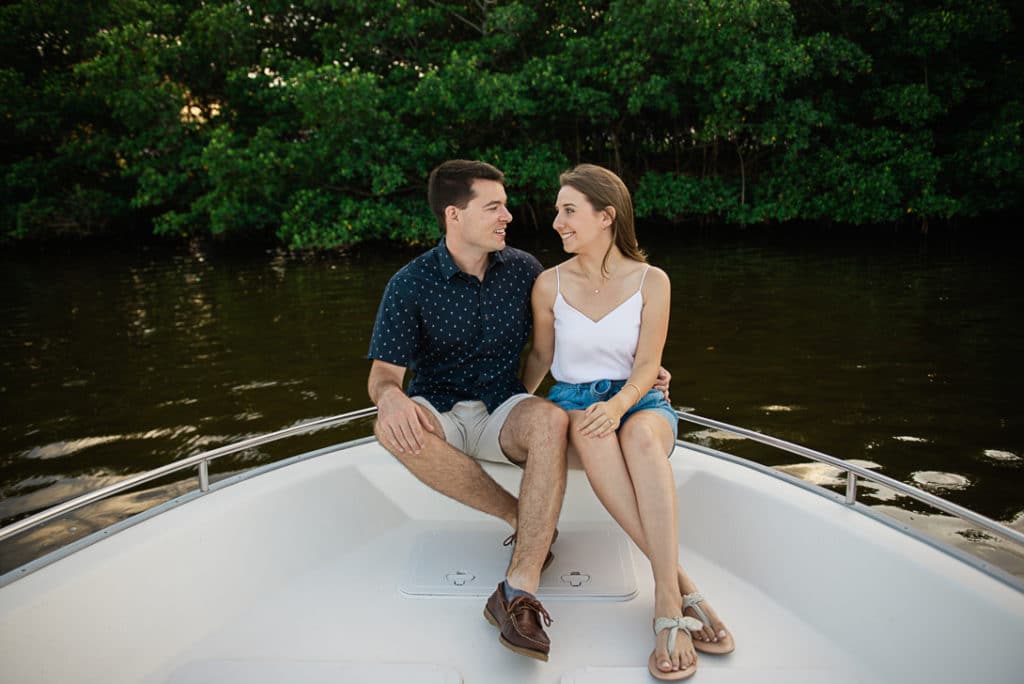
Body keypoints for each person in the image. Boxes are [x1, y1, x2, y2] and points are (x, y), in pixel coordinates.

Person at [523, 164, 736, 680]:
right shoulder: (548, 284)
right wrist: (502, 407)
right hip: (574, 403)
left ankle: (666, 595)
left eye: (569, 211)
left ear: (606, 216)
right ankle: (680, 591)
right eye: (558, 211)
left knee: (640, 437)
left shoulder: (652, 281)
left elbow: (646, 366)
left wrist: (620, 406)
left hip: (640, 400)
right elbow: (539, 359)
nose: (557, 222)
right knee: (589, 428)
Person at [367, 159, 568, 662]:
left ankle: (518, 589)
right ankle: (521, 518)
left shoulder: (524, 270)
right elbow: (384, 377)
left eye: (505, 205)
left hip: (504, 403)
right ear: (454, 215)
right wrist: (392, 398)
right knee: (390, 428)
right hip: (440, 409)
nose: (508, 216)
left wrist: (642, 373)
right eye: (493, 207)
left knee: (551, 419)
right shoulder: (409, 284)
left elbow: (567, 341)